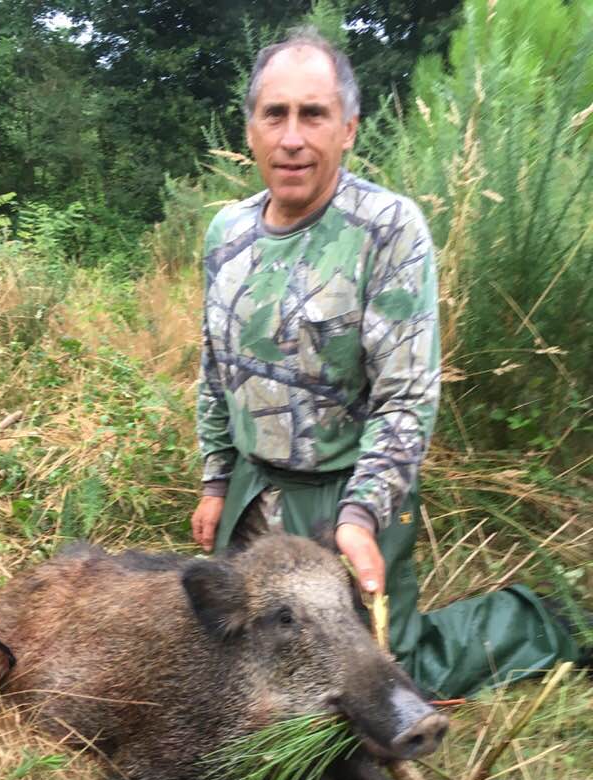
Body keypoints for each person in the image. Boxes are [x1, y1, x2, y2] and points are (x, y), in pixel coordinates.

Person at [191, 27, 581, 698]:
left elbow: (405, 399)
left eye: (313, 115)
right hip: (257, 491)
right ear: (250, 128)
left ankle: (545, 625)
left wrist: (362, 516)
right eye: (274, 114)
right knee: (240, 664)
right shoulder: (228, 234)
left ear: (347, 128)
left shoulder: (388, 230)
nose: (292, 137)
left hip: (347, 495)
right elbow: (215, 366)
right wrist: (216, 481)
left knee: (387, 675)